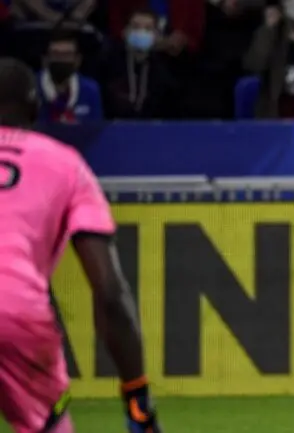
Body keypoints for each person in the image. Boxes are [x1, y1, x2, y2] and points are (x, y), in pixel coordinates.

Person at [0, 58, 161, 433]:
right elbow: (109, 292)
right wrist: (138, 404)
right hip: (15, 313)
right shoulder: (65, 164)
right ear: (35, 107)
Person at [37, 31, 103, 124]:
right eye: (56, 54)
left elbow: (97, 128)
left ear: (78, 60)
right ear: (45, 59)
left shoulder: (90, 90)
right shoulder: (31, 87)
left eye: (67, 55)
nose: (61, 60)